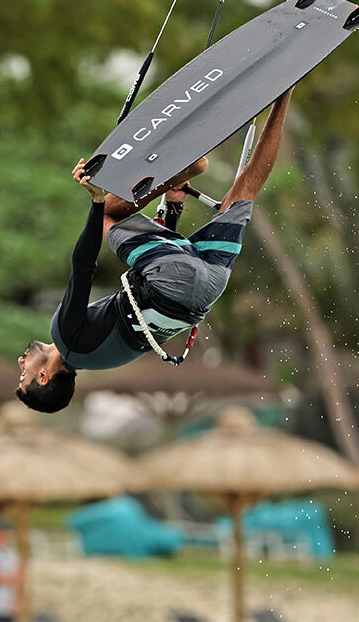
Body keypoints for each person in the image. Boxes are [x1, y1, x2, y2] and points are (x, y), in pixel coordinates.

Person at [16, 90, 292, 413]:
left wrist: (172, 210)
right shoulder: (64, 337)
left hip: (206, 290)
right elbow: (83, 267)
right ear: (44, 377)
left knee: (245, 190)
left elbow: (157, 296)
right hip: (169, 282)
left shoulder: (102, 359)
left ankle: (285, 92)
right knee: (105, 216)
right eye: (24, 373)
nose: (21, 360)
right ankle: (180, 173)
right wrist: (95, 199)